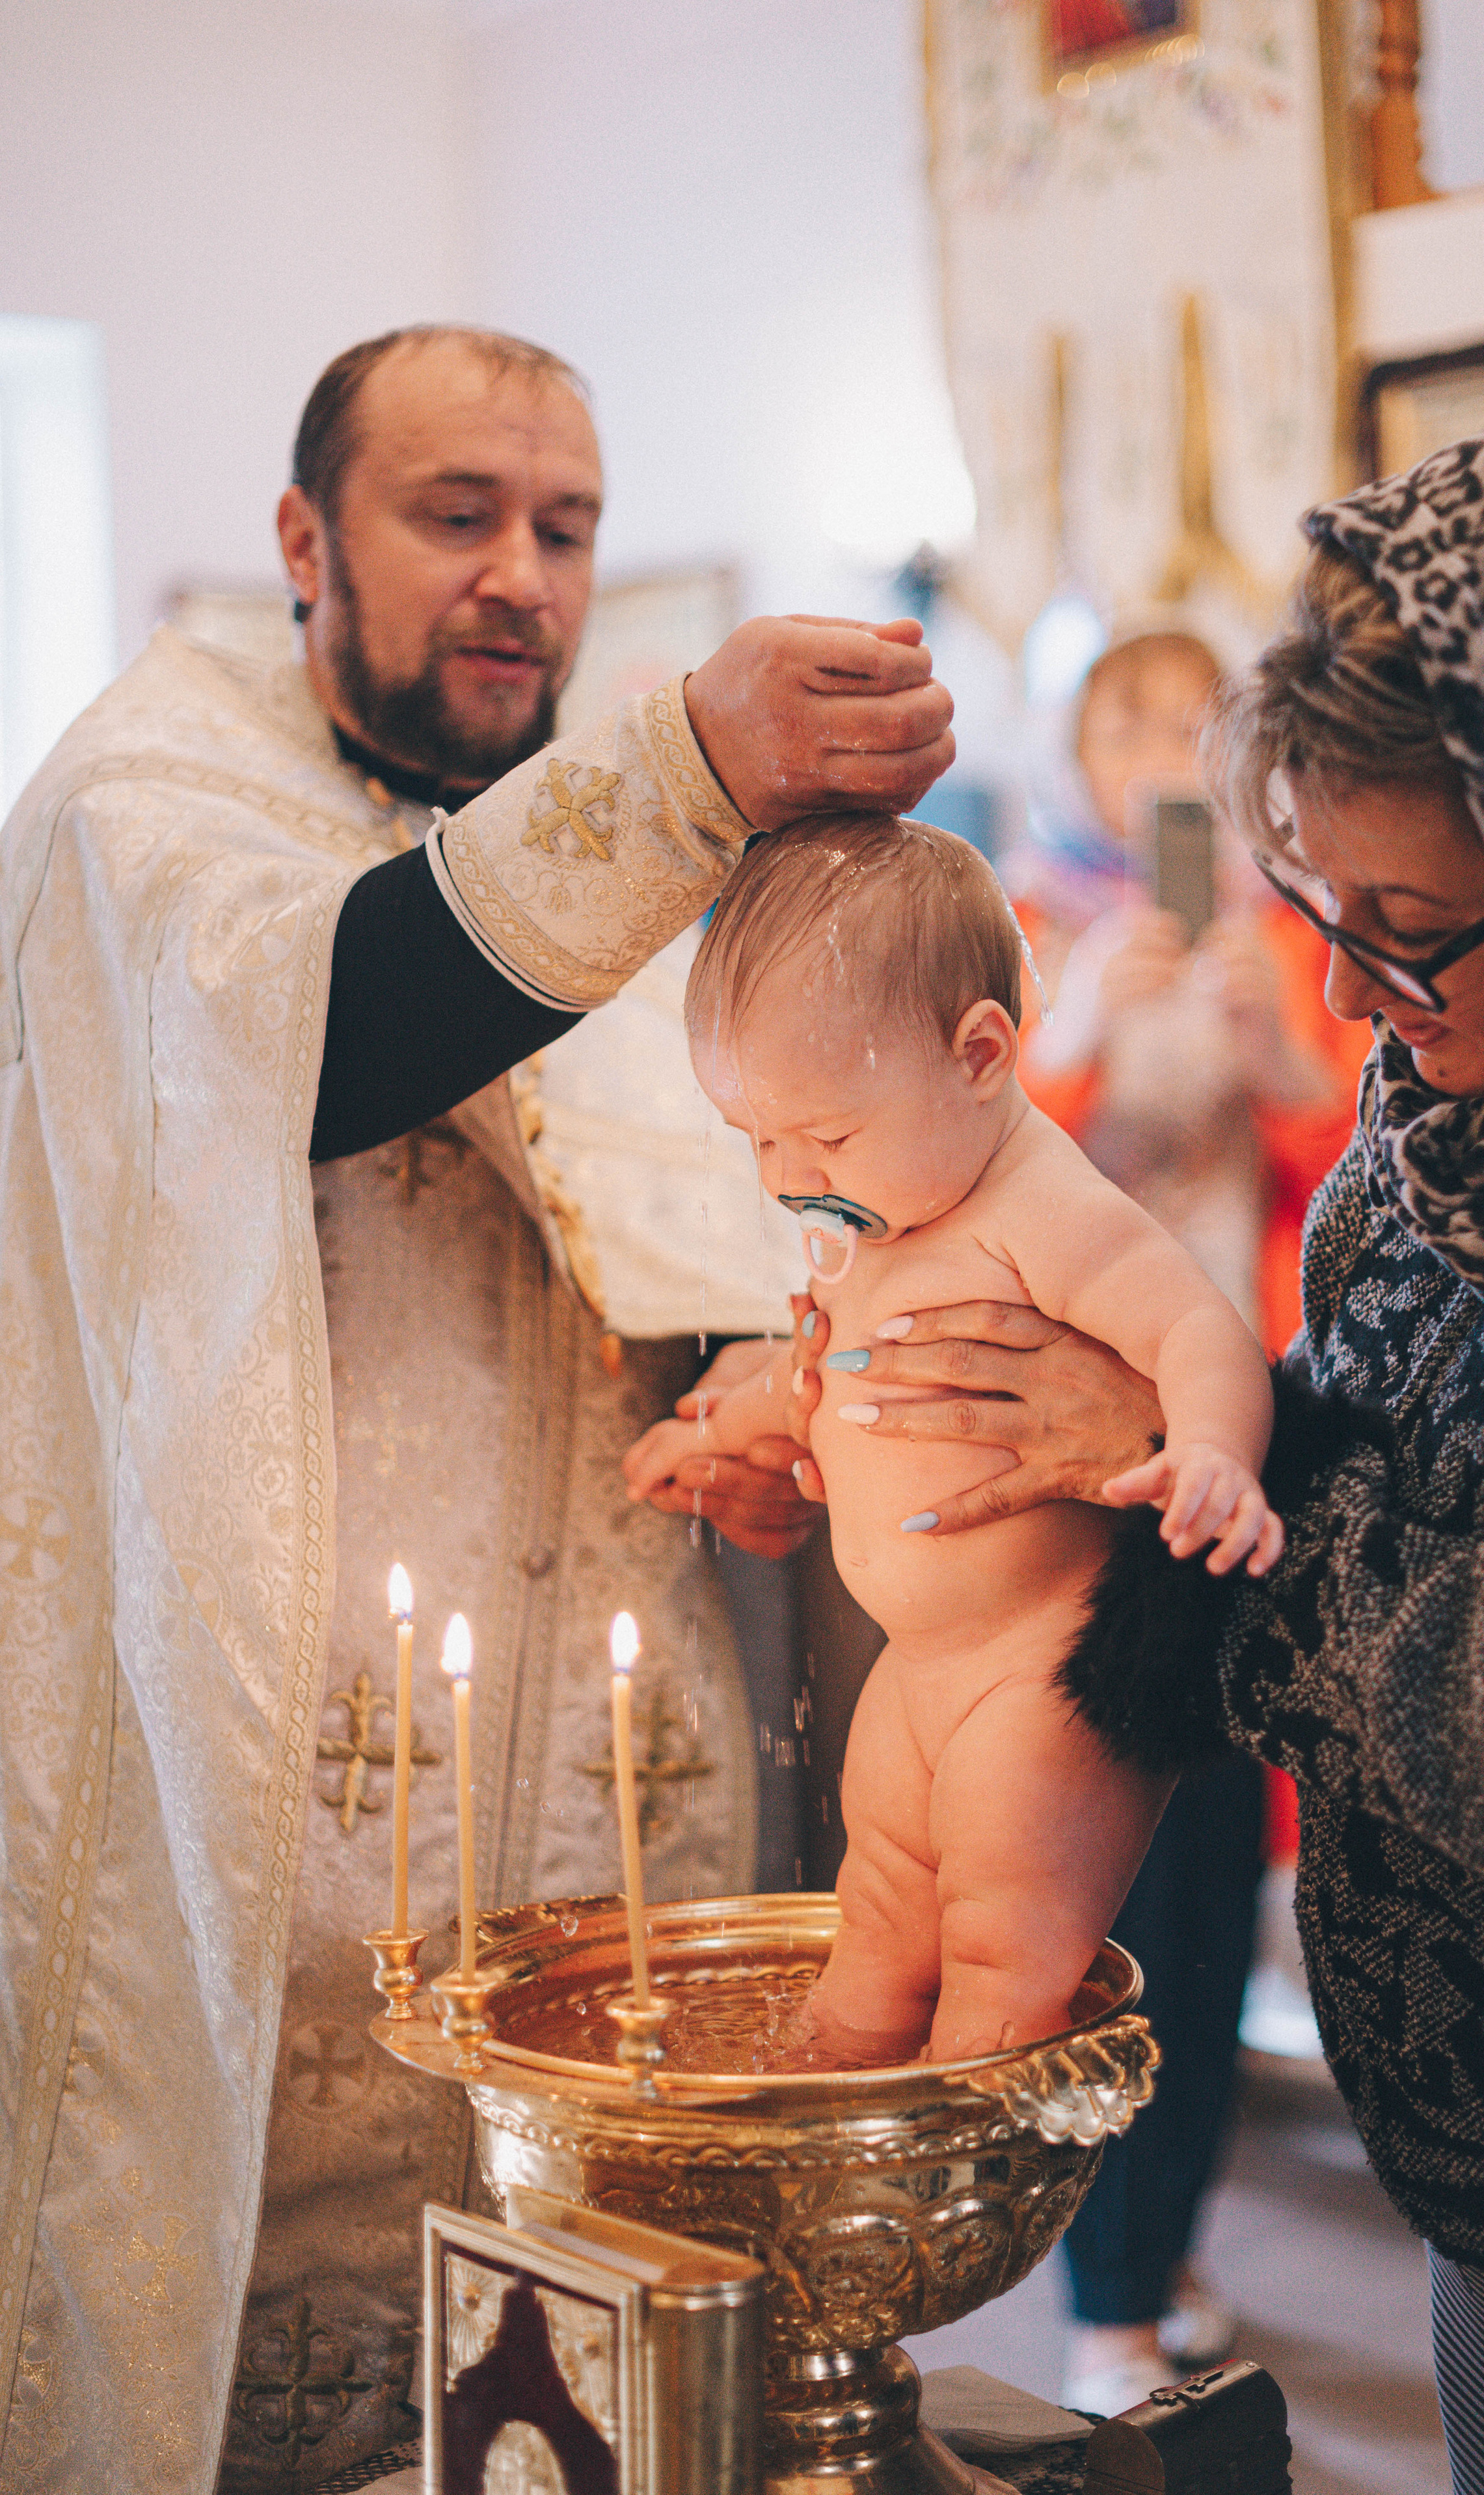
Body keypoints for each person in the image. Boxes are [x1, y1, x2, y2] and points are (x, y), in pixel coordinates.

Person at [0, 323, 953, 2495]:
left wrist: (774, 1386)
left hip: (609, 1819)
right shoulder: (139, 801)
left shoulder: (612, 861)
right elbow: (326, 1033)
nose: (522, 574)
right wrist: (686, 766)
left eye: (566, 528)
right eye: (457, 519)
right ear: (301, 539)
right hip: (283, 1842)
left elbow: (723, 1218)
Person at [787, 408, 1484, 2490]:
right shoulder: (1442, 1121)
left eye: (1418, 922)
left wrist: (1208, 1503)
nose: (1356, 990)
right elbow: (1353, 1444)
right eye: (1320, 906)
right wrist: (926, 1437)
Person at [625, 813, 1280, 2062]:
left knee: (1000, 1959)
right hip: (916, 1670)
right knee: (869, 1930)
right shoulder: (884, 1208)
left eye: (823, 1135)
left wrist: (1210, 1450)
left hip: (1038, 1672)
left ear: (979, 1053)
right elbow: (854, 1382)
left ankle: (964, 2170)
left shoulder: (1044, 1206)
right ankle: (843, 2169)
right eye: (756, 1138)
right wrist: (730, 1420)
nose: (785, 1175)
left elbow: (1204, 1331)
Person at [1018, 629, 1367, 2408]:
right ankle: (1108, 2289)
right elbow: (969, 1186)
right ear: (1077, 751)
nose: (1156, 748)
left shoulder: (1300, 938)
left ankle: (1163, 2247)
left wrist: (1288, 1066)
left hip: (1269, 1442)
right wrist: (1072, 1042)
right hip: (1101, 1465)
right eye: (1126, 719)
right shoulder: (1020, 929)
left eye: (1187, 720)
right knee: (1112, 1877)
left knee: (1220, 1888)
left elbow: (1370, 1199)